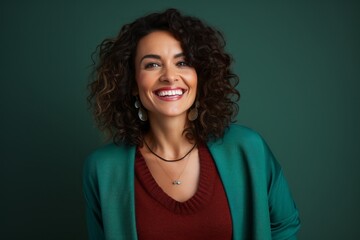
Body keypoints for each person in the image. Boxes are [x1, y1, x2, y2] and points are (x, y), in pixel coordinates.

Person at [83, 8, 300, 240]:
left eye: (183, 62)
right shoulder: (103, 169)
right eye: (152, 65)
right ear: (133, 83)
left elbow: (285, 226)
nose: (169, 75)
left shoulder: (248, 148)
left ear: (200, 75)